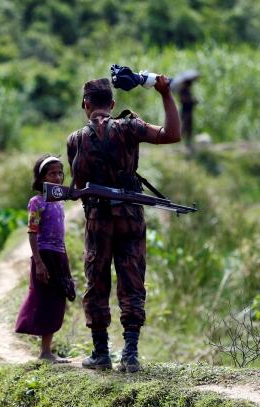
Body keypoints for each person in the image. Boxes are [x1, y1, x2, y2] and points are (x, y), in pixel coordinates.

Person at [67, 76, 180, 373]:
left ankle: (101, 352)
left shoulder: (76, 139)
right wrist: (165, 94)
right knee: (132, 281)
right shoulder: (129, 126)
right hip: (130, 217)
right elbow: (172, 134)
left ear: (86, 104)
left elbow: (78, 184)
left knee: (97, 281)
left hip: (97, 221)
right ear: (113, 104)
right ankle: (130, 353)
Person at [15, 155, 75, 363]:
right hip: (44, 255)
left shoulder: (59, 201)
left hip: (59, 255)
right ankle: (45, 351)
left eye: (60, 173)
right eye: (52, 173)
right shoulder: (36, 202)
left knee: (58, 300)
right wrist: (39, 262)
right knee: (45, 300)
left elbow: (61, 234)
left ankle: (46, 351)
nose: (58, 177)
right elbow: (32, 233)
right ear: (41, 178)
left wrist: (65, 261)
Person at [178, 80, 197, 152]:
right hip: (185, 112)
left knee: (189, 128)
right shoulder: (183, 90)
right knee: (184, 127)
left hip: (189, 112)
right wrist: (190, 100)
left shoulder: (188, 91)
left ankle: (188, 143)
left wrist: (193, 101)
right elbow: (182, 99)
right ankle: (179, 142)